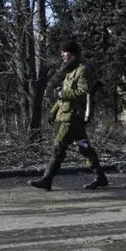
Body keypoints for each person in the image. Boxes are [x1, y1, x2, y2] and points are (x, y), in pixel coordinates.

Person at [29, 40, 108, 191]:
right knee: (85, 148)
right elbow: (62, 98)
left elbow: (83, 93)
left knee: (58, 148)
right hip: (66, 116)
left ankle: (47, 180)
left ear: (73, 55)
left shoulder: (81, 70)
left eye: (65, 53)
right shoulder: (69, 72)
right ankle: (101, 177)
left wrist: (63, 93)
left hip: (71, 118)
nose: (62, 55)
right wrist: (53, 111)